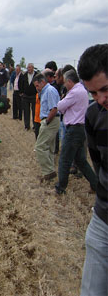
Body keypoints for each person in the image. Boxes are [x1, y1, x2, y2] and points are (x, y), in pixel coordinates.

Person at [77, 44, 108, 296]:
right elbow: (99, 165)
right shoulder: (94, 116)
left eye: (105, 89)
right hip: (103, 218)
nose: (100, 99)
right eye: (93, 93)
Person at [54, 70, 98, 195]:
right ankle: (96, 185)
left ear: (69, 81)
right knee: (81, 161)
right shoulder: (82, 90)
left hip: (73, 129)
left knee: (64, 159)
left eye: (65, 82)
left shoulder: (74, 92)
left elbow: (60, 106)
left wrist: (62, 100)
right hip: (80, 129)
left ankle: (60, 188)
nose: (64, 85)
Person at [33, 73, 60, 181]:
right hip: (49, 120)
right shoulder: (45, 91)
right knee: (48, 147)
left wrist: (47, 121)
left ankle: (49, 172)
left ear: (42, 82)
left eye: (37, 86)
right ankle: (50, 173)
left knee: (39, 147)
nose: (36, 88)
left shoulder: (49, 91)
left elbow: (54, 108)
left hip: (50, 120)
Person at [19, 63, 38, 131]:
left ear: (33, 68)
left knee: (34, 112)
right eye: (28, 68)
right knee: (26, 112)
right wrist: (21, 92)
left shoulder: (37, 75)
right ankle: (27, 126)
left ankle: (35, 126)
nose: (29, 69)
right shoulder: (24, 75)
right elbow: (20, 83)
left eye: (30, 67)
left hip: (34, 96)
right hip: (26, 96)